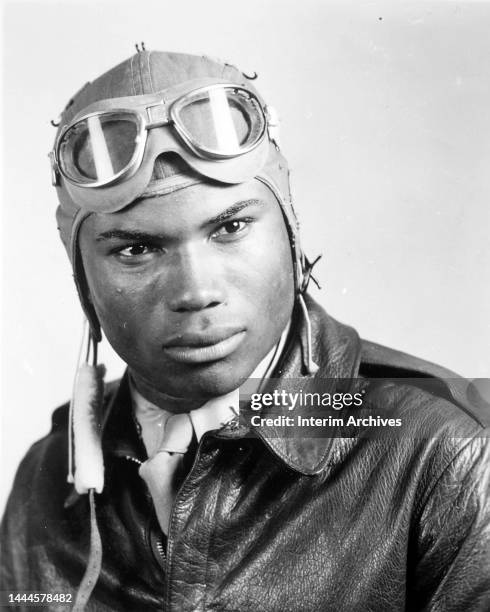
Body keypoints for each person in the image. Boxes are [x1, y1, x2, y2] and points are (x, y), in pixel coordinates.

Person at [1, 48, 489, 612]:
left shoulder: (441, 454)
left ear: (290, 233)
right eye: (137, 248)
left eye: (230, 227)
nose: (196, 291)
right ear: (82, 274)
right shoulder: (44, 480)